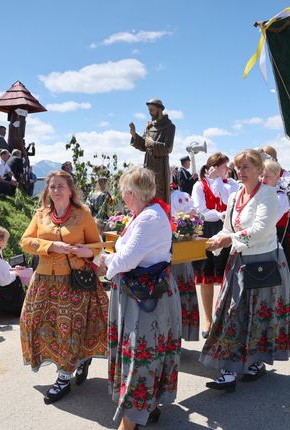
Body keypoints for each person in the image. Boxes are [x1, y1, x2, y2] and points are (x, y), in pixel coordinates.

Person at [200, 149, 290, 391]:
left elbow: (261, 230)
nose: (240, 172)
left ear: (260, 170)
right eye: (238, 167)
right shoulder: (234, 196)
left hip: (263, 261)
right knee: (230, 313)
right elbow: (227, 227)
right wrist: (213, 241)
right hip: (238, 261)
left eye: (245, 167)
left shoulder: (269, 195)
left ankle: (255, 363)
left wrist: (228, 240)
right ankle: (228, 371)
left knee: (259, 315)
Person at [97, 166, 181, 429]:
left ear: (132, 193)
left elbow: (127, 259)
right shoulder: (148, 213)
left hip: (145, 297)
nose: (123, 197)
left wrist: (104, 263)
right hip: (145, 293)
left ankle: (130, 422)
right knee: (149, 351)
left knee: (141, 353)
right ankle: (150, 406)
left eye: (124, 193)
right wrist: (111, 261)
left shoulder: (148, 218)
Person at [20, 170, 108, 404]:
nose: (56, 190)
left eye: (60, 186)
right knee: (33, 322)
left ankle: (64, 376)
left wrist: (86, 251)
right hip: (44, 281)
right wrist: (51, 246)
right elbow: (26, 241)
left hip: (74, 282)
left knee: (68, 329)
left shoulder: (83, 214)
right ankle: (78, 360)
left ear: (70, 190)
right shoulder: (41, 215)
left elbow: (97, 247)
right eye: (52, 187)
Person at [191, 152, 239, 338]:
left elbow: (230, 204)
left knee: (227, 274)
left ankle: (225, 316)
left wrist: (218, 183)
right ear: (214, 167)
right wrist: (219, 213)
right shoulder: (199, 186)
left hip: (226, 229)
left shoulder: (231, 184)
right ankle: (208, 318)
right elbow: (201, 211)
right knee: (206, 276)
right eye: (224, 166)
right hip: (207, 229)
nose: (227, 170)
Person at [262, 159, 290, 303]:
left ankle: (280, 300)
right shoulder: (262, 192)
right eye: (261, 176)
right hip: (264, 236)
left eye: (267, 176)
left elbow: (270, 220)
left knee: (279, 270)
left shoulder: (280, 196)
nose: (263, 179)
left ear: (277, 177)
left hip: (277, 236)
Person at [130, 98, 176, 204]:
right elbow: (144, 145)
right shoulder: (150, 127)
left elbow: (168, 148)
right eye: (149, 110)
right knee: (147, 192)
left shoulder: (169, 127)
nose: (150, 112)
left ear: (160, 110)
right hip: (148, 165)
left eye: (152, 110)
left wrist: (153, 144)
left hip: (160, 167)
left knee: (158, 193)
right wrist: (134, 135)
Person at [170, 183, 200, 341]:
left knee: (179, 288)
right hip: (172, 249)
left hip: (179, 248)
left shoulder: (179, 196)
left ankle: (180, 334)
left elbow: (194, 214)